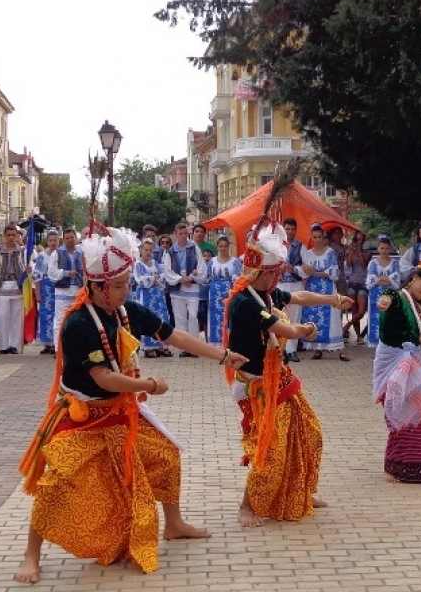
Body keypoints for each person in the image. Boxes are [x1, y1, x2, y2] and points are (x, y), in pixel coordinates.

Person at [15, 224, 248, 582]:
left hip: (121, 412)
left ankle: (173, 523)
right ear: (95, 287)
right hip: (82, 417)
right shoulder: (78, 324)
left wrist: (223, 356)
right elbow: (104, 379)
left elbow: (177, 335)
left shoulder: (127, 311)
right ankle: (31, 555)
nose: (127, 291)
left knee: (166, 455)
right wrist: (150, 385)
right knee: (55, 483)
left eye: (126, 284)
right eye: (119, 286)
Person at [224, 219, 351, 526]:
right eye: (273, 272)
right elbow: (285, 329)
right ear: (259, 272)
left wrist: (332, 299)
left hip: (279, 375)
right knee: (269, 445)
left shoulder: (265, 294)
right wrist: (306, 329)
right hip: (256, 383)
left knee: (309, 432)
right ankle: (248, 505)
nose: (276, 277)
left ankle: (304, 489)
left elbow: (299, 297)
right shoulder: (244, 303)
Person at [373, 262, 421, 483]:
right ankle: (396, 464)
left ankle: (419, 459)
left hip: (414, 360)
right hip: (394, 360)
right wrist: (384, 301)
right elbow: (388, 296)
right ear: (414, 277)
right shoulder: (398, 298)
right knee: (404, 411)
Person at [300, 222, 348, 361]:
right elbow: (305, 273)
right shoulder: (308, 254)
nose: (317, 240)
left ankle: (341, 350)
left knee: (333, 316)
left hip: (328, 288)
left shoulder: (330, 252)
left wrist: (314, 272)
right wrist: (306, 270)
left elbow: (332, 272)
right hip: (313, 288)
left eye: (319, 237)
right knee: (314, 317)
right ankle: (318, 348)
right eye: (314, 237)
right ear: (311, 238)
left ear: (323, 237)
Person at [163, 223, 201, 355]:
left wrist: (190, 278)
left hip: (192, 287)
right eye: (181, 234)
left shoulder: (194, 248)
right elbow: (167, 271)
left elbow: (201, 266)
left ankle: (195, 347)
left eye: (185, 233)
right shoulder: (170, 252)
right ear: (175, 234)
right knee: (180, 319)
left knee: (193, 316)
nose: (184, 236)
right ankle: (184, 348)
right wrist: (180, 279)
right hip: (177, 289)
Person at [47, 228, 83, 351]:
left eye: (72, 237)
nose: (70, 240)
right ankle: (59, 349)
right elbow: (51, 272)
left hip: (78, 290)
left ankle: (76, 348)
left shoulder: (81, 252)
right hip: (63, 291)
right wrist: (66, 273)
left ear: (76, 238)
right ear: (63, 239)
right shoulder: (57, 253)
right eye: (67, 238)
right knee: (60, 320)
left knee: (78, 320)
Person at [364, 234, 401, 348]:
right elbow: (371, 279)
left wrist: (381, 278)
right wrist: (388, 279)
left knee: (390, 317)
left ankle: (390, 341)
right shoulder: (373, 262)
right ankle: (376, 342)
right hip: (376, 295)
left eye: (386, 248)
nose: (384, 250)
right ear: (378, 248)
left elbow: (396, 279)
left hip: (390, 295)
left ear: (389, 248)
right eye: (382, 248)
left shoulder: (395, 262)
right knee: (376, 318)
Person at [0, 224, 26, 355]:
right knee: (2, 316)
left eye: (14, 235)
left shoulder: (22, 251)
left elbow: (28, 267)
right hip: (2, 286)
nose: (11, 237)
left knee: (16, 317)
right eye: (8, 235)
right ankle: (3, 345)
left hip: (17, 286)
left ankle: (14, 345)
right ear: (4, 236)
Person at [204, 236, 240, 348]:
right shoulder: (212, 261)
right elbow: (207, 277)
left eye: (225, 246)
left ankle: (228, 342)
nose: (223, 248)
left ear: (228, 247)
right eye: (221, 246)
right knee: (214, 315)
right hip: (214, 292)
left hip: (228, 291)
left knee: (227, 315)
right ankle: (215, 343)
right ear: (217, 247)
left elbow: (238, 277)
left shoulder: (235, 261)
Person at [278, 218, 306, 362]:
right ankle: (281, 349)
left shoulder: (301, 246)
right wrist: (279, 269)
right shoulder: (277, 245)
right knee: (280, 317)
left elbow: (306, 269)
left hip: (295, 284)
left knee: (294, 317)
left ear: (295, 230)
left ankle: (292, 349)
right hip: (280, 285)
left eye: (292, 229)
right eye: (287, 229)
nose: (289, 232)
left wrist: (294, 268)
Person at [33, 230, 59, 354]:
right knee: (45, 315)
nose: (53, 243)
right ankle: (46, 343)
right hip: (46, 288)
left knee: (56, 315)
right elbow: (37, 275)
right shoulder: (42, 256)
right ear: (47, 242)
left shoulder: (61, 254)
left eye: (55, 240)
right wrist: (37, 292)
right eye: (51, 240)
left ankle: (55, 342)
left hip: (58, 288)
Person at [343, 231, 370, 344]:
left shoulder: (368, 253)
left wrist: (358, 249)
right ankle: (358, 336)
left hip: (363, 284)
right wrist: (350, 251)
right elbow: (349, 264)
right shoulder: (351, 251)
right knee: (354, 311)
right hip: (352, 282)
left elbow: (364, 264)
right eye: (357, 239)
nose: (359, 241)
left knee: (361, 311)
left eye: (361, 240)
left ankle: (346, 326)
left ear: (363, 241)